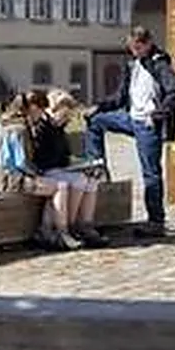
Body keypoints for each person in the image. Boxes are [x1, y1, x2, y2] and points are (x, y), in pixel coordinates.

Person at [83, 25, 175, 238]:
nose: (134, 51)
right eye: (131, 48)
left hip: (147, 124)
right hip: (130, 118)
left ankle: (156, 220)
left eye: (138, 47)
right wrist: (99, 107)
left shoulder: (159, 64)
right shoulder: (133, 65)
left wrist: (159, 114)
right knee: (96, 121)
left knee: (150, 173)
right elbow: (120, 98)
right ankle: (97, 166)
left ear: (147, 43)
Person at [0, 90, 85, 251]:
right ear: (32, 108)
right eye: (41, 110)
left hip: (4, 177)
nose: (41, 115)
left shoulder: (9, 123)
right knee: (59, 187)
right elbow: (21, 162)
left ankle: (47, 231)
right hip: (9, 180)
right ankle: (61, 232)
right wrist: (37, 173)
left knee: (54, 185)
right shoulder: (20, 129)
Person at [31, 88, 109, 247]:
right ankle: (69, 226)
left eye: (68, 115)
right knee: (78, 180)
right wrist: (70, 166)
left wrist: (82, 164)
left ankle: (85, 224)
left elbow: (65, 155)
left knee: (92, 179)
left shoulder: (59, 129)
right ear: (54, 110)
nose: (66, 119)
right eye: (64, 114)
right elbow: (42, 158)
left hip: (59, 169)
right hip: (46, 170)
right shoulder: (41, 127)